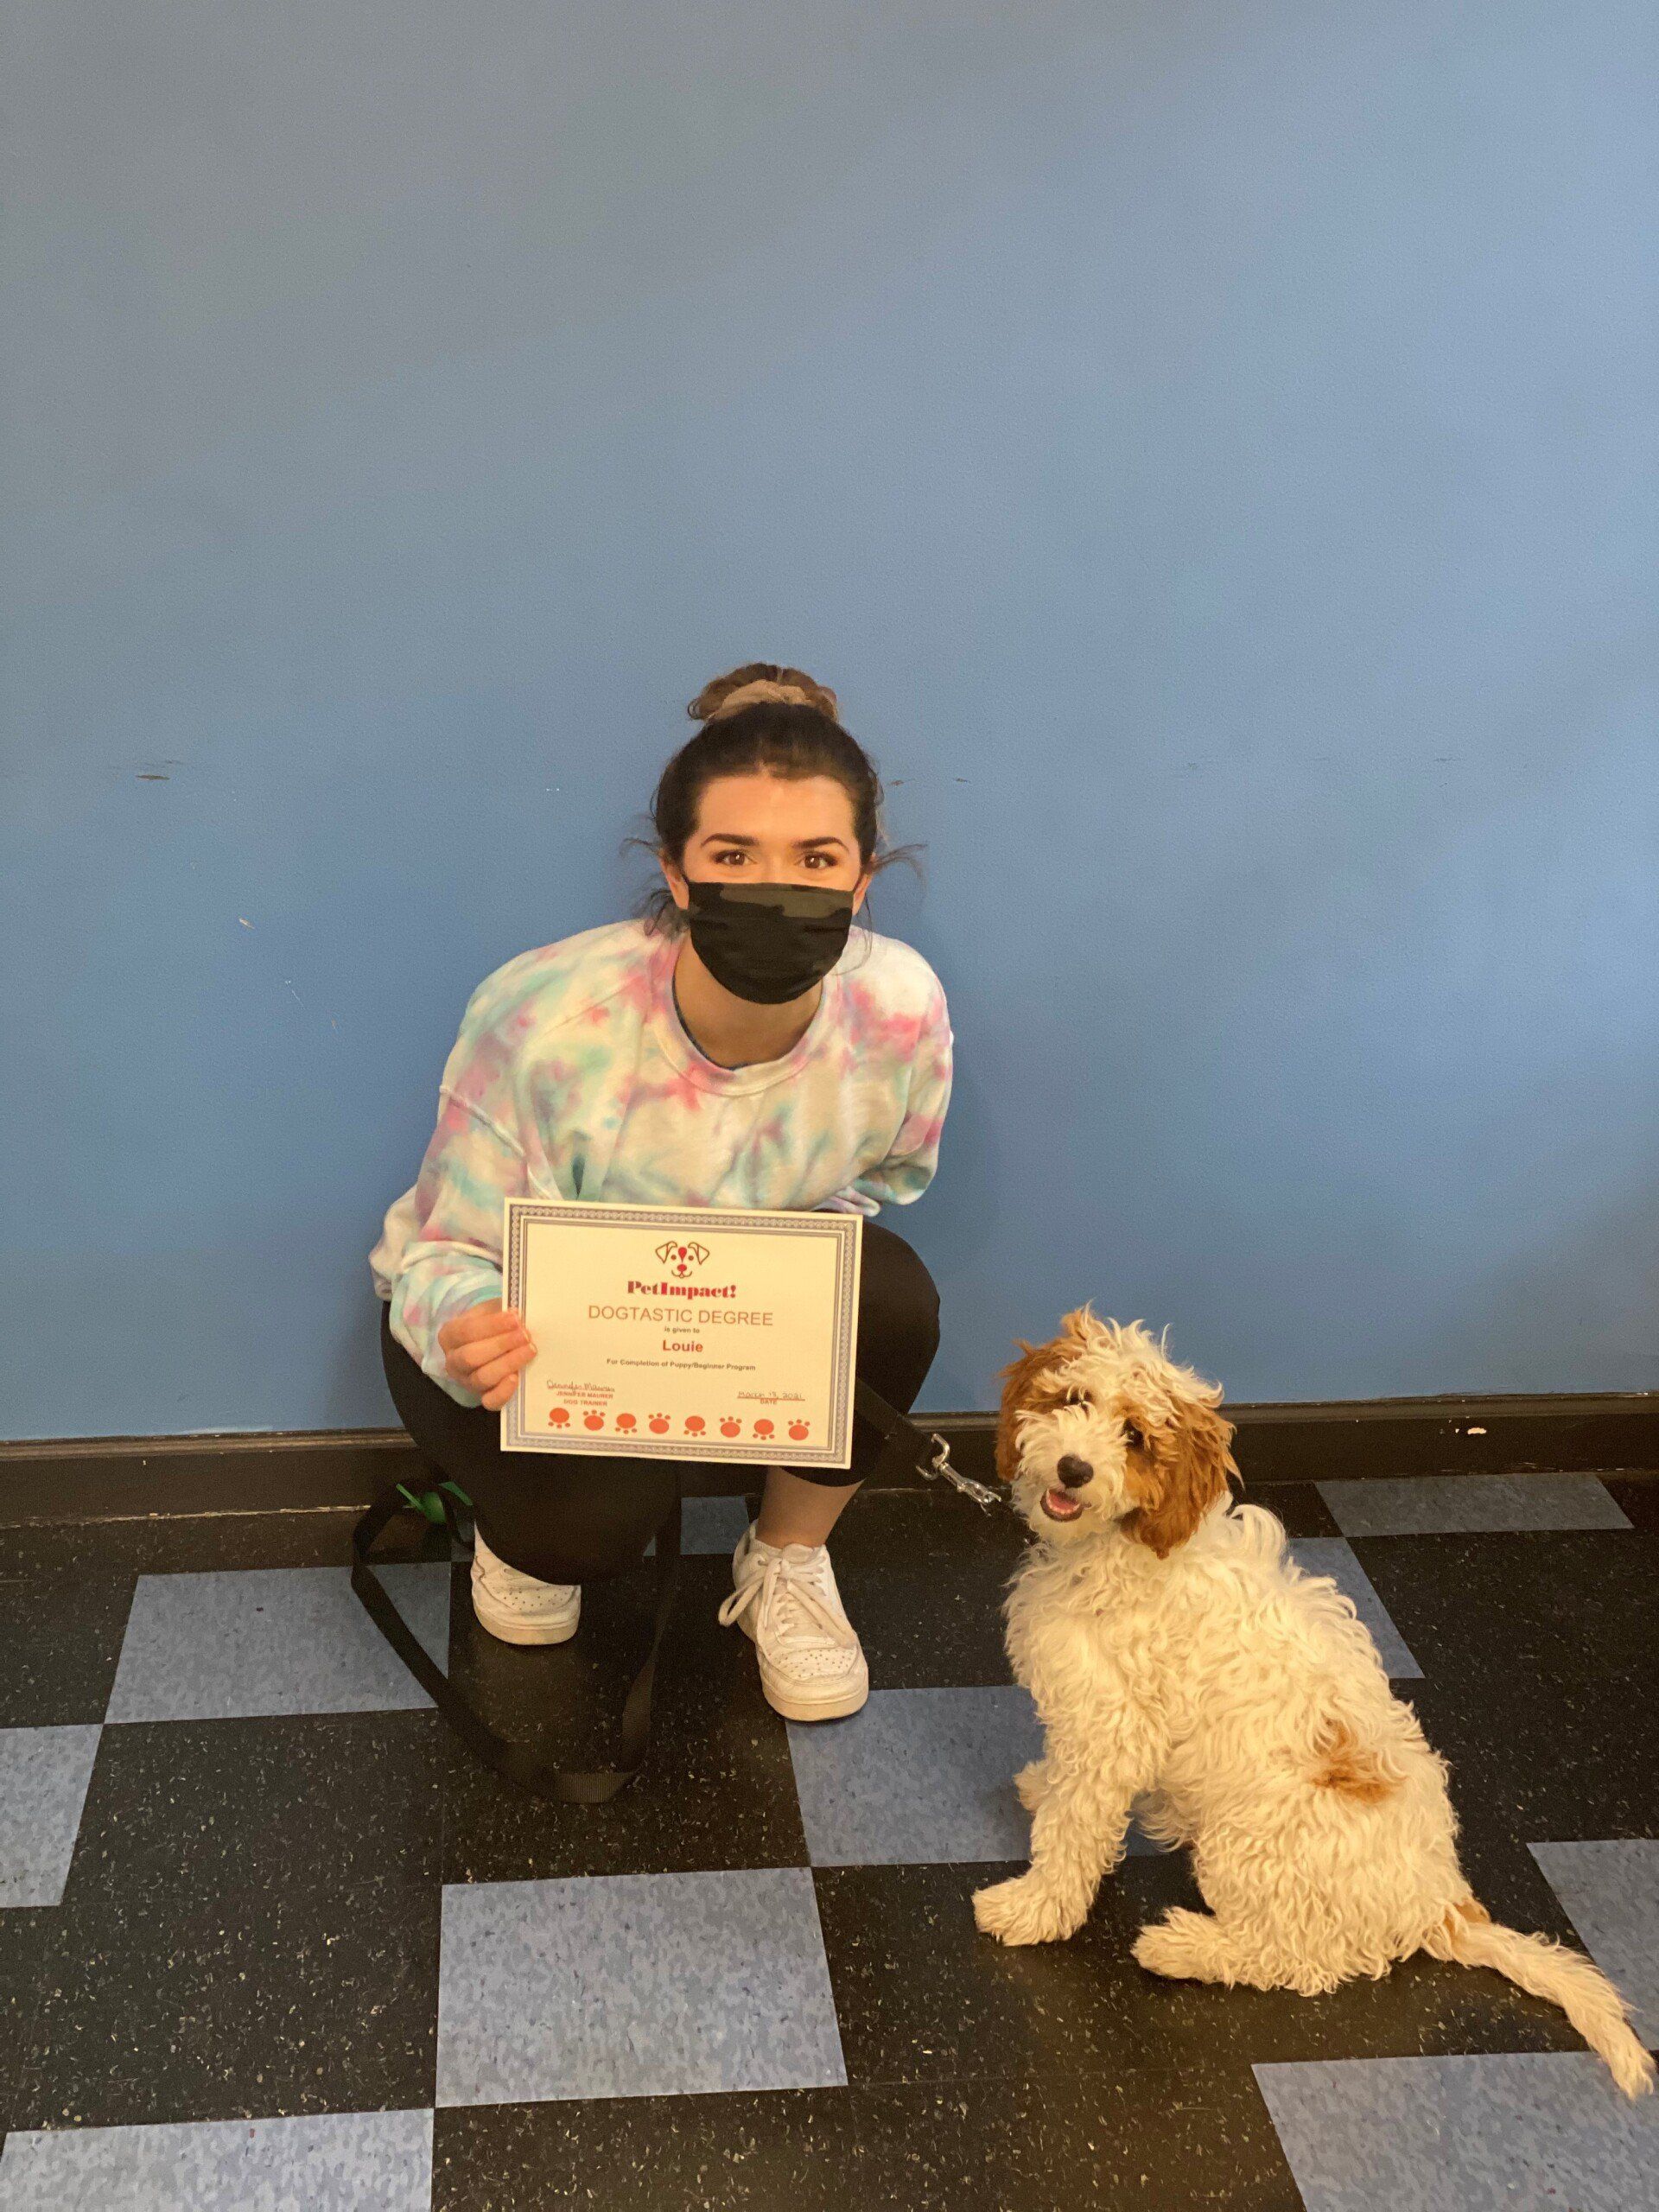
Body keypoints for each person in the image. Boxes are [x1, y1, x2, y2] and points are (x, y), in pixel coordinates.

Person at [369, 664, 953, 1723]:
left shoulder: (899, 1008)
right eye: (734, 855)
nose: (776, 887)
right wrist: (465, 1329)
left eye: (815, 858)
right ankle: (517, 1534)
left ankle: (786, 1555)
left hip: (725, 1330)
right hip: (518, 1326)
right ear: (677, 876)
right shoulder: (544, 1020)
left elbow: (881, 1181)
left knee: (891, 1297)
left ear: (862, 879)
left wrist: (760, 1299)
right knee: (594, 1527)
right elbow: (443, 1256)